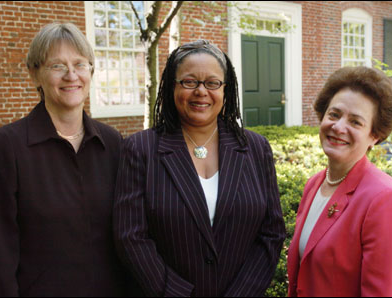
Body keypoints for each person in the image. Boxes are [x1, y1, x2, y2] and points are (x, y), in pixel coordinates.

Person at [0, 23, 141, 296]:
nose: (71, 75)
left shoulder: (112, 144)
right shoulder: (9, 146)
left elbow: (130, 236)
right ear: (35, 75)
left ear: (91, 71)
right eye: (57, 66)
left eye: (80, 64)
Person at [113, 39, 286, 297]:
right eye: (189, 81)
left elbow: (271, 233)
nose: (201, 91)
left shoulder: (255, 148)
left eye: (212, 83)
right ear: (172, 87)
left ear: (226, 90)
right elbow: (131, 237)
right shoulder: (141, 149)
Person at [287, 66, 392, 297]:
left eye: (355, 122)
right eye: (334, 114)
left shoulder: (386, 200)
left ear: (374, 135)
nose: (338, 127)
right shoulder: (315, 184)